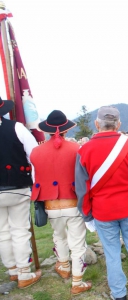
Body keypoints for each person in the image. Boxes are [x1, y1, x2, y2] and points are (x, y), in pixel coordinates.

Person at [76, 106, 128, 300]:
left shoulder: (84, 150)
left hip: (103, 211)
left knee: (111, 254)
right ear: (118, 124)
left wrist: (86, 215)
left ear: (97, 124)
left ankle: (119, 294)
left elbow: (82, 188)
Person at [30, 110, 91, 294]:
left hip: (50, 203)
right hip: (73, 202)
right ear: (65, 129)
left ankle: (63, 266)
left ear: (48, 130)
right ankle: (77, 281)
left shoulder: (36, 151)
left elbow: (35, 177)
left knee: (59, 236)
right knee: (78, 242)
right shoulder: (77, 149)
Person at [0, 97, 41, 289]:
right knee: (19, 230)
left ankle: (13, 271)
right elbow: (34, 155)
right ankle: (24, 271)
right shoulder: (16, 127)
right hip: (18, 187)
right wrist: (34, 182)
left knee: (2, 232)